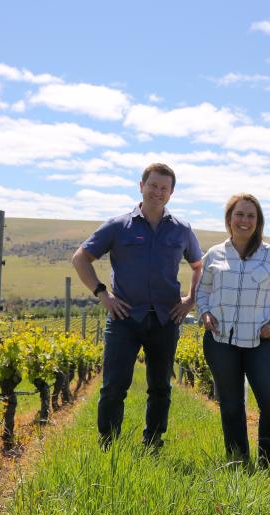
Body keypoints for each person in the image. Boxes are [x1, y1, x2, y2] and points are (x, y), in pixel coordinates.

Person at [72, 163, 203, 450]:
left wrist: (190, 300)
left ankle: (153, 445)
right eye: (153, 185)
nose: (158, 192)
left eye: (164, 188)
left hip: (166, 320)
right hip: (124, 319)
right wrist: (102, 294)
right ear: (141, 186)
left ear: (171, 193)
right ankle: (108, 446)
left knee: (160, 388)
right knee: (113, 387)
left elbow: (198, 266)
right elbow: (80, 258)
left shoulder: (182, 229)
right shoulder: (118, 226)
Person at [196, 193, 270, 472]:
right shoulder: (214, 254)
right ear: (229, 218)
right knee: (231, 407)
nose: (245, 220)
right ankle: (238, 463)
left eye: (251, 216)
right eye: (239, 214)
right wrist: (204, 313)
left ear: (258, 221)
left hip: (259, 341)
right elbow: (201, 292)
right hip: (220, 341)